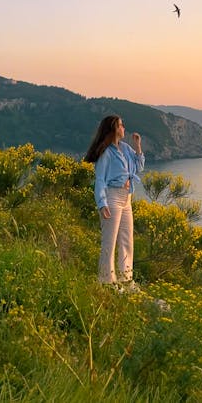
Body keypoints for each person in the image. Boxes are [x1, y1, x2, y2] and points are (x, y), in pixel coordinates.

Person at [84, 115, 144, 290]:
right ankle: (106, 281)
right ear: (114, 129)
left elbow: (139, 167)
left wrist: (138, 146)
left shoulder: (125, 148)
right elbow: (100, 180)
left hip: (127, 198)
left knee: (127, 239)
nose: (124, 127)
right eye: (120, 125)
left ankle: (126, 278)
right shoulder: (106, 153)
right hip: (112, 198)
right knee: (109, 241)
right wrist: (102, 204)